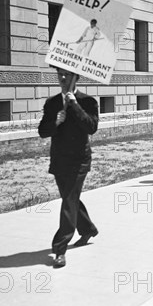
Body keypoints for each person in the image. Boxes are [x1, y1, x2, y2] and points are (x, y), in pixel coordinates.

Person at [38, 68, 99, 269]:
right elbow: (43, 131)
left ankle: (59, 249)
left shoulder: (88, 102)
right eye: (60, 75)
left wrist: (74, 105)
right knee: (69, 198)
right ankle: (88, 228)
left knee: (69, 200)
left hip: (79, 160)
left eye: (67, 74)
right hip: (59, 160)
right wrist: (56, 121)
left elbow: (91, 127)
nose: (63, 78)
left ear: (76, 77)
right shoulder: (51, 103)